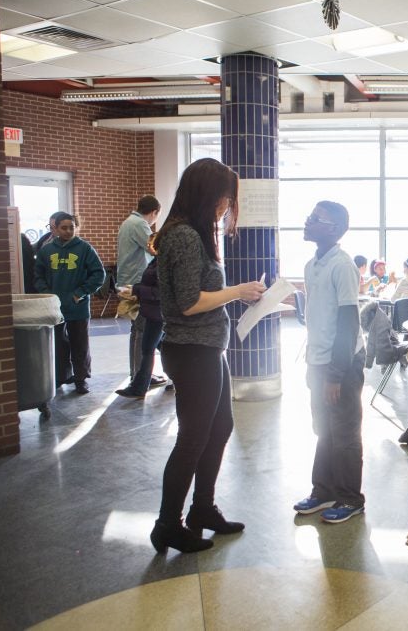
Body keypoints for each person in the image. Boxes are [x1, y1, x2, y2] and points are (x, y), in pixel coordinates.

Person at [150, 158, 265, 554]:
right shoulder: (182, 236)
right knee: (193, 439)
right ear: (205, 195)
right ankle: (168, 523)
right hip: (191, 351)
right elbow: (188, 302)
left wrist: (237, 292)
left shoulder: (194, 234)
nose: (225, 207)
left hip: (207, 348)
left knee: (218, 429)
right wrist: (237, 291)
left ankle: (202, 509)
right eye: (222, 199)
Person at [294, 200, 367, 525]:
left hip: (342, 363)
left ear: (334, 229)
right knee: (323, 428)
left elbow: (348, 324)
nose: (308, 221)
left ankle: (351, 498)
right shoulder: (313, 265)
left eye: (316, 219)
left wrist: (336, 375)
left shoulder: (342, 265)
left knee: (344, 432)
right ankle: (323, 490)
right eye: (310, 216)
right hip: (318, 360)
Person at [33, 212, 104, 394]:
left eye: (71, 227)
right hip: (54, 308)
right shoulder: (46, 251)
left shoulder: (85, 249)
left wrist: (80, 293)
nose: (68, 231)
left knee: (80, 345)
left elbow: (98, 274)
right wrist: (47, 293)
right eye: (64, 228)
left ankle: (81, 379)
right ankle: (61, 377)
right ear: (55, 228)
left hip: (78, 308)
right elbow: (38, 276)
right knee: (59, 345)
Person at [117, 195, 164, 387]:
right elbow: (156, 248)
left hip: (129, 280)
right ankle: (140, 376)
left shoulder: (128, 222)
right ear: (154, 212)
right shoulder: (139, 224)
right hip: (137, 283)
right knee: (143, 331)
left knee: (138, 331)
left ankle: (138, 374)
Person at [115, 240, 164, 399]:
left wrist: (136, 290)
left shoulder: (163, 263)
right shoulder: (157, 261)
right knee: (156, 346)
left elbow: (160, 290)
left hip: (157, 312)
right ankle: (141, 385)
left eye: (153, 242)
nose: (149, 245)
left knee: (149, 347)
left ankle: (139, 386)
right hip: (152, 311)